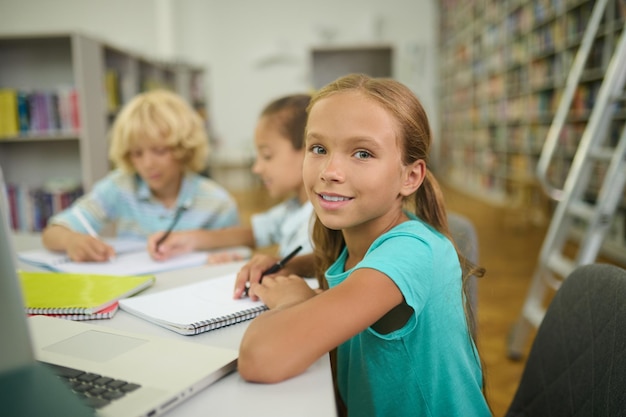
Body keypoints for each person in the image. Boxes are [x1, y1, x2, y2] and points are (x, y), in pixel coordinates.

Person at [235, 74, 491, 417]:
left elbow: (260, 358)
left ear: (409, 176)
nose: (330, 170)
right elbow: (356, 269)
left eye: (362, 153)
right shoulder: (361, 240)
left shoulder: (411, 253)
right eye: (319, 148)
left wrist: (294, 301)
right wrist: (287, 265)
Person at [42, 89, 240, 262]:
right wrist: (71, 241)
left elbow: (237, 257)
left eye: (160, 151)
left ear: (184, 148)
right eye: (137, 153)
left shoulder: (218, 204)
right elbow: (52, 232)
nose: (147, 164)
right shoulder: (120, 186)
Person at [147, 94, 314, 262]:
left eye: (267, 155)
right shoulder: (293, 208)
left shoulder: (318, 222)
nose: (257, 168)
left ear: (308, 151)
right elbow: (253, 233)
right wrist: (189, 239)